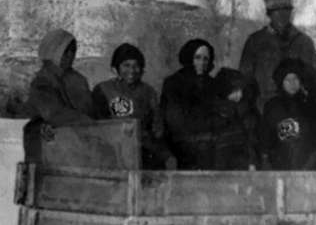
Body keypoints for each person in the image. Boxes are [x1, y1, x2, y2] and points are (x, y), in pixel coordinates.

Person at [239, 0, 316, 110]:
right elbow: (244, 81)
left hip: (297, 113)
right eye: (276, 9)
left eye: (286, 9)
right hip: (264, 112)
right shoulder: (255, 42)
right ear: (269, 13)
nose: (282, 14)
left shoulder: (304, 42)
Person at [91, 42, 169, 169]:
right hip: (112, 151)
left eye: (136, 66)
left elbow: (157, 127)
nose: (132, 70)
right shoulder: (103, 89)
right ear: (116, 68)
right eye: (126, 65)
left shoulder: (148, 92)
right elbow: (98, 126)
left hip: (143, 151)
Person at [21, 28, 96, 160]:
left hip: (77, 146)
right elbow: (54, 113)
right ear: (52, 51)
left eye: (73, 51)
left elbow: (89, 108)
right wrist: (88, 123)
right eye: (65, 51)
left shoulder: (78, 80)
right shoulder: (42, 82)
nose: (70, 55)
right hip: (47, 147)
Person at [160, 38, 217, 170]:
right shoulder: (173, 82)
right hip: (181, 145)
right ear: (188, 58)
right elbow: (173, 120)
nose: (202, 63)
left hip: (208, 146)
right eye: (197, 58)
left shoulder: (213, 84)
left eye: (205, 59)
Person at [261, 58, 316, 170]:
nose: (292, 83)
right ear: (281, 83)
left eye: (295, 78)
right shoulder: (272, 107)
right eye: (287, 80)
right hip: (279, 167)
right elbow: (266, 138)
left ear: (301, 81)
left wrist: (311, 162)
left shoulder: (313, 107)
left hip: (308, 168)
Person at [211, 67, 260, 170]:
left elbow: (252, 140)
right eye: (235, 91)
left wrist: (252, 162)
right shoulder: (215, 113)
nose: (240, 95)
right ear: (225, 90)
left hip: (244, 165)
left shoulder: (247, 111)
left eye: (241, 90)